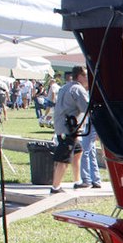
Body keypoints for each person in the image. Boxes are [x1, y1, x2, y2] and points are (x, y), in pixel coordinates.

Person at [50, 66, 89, 194]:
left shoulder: (65, 87)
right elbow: (86, 108)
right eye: (85, 76)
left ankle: (77, 181)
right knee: (63, 159)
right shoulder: (78, 89)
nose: (88, 78)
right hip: (69, 129)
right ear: (79, 76)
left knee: (78, 151)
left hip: (62, 126)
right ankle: (55, 187)